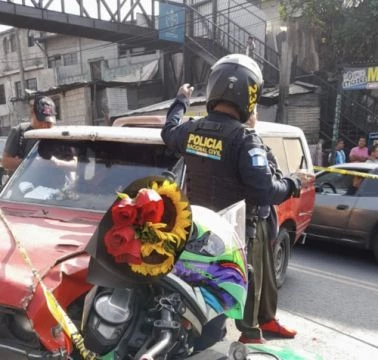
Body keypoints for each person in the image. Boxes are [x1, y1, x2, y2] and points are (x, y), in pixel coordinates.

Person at [161, 54, 301, 344]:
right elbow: (265, 191)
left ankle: (256, 324)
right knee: (248, 279)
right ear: (249, 94)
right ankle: (249, 333)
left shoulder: (190, 129)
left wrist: (181, 100)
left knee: (199, 288)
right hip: (238, 230)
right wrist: (293, 183)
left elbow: (168, 130)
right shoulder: (245, 138)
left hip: (198, 226)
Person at [2, 95, 56, 174]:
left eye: (48, 122)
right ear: (32, 114)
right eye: (41, 121)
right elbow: (5, 162)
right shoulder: (19, 131)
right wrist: (29, 163)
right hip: (25, 183)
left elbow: (75, 163)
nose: (45, 126)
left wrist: (56, 163)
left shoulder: (59, 134)